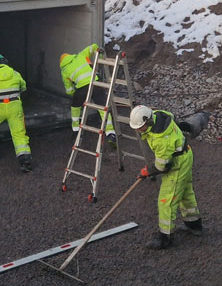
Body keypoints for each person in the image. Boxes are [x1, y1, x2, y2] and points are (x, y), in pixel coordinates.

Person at [129, 104, 201, 250]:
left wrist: (147, 171)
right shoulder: (158, 114)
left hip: (177, 163)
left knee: (166, 200)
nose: (138, 130)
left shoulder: (162, 139)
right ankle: (194, 225)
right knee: (185, 193)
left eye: (140, 127)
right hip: (185, 154)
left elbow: (162, 166)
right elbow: (173, 116)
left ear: (147, 122)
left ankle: (165, 237)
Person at [59, 43, 115, 146]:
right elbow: (93, 46)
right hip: (96, 83)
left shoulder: (64, 70)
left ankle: (76, 131)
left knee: (75, 108)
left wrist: (75, 94)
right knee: (103, 108)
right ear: (69, 56)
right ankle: (111, 133)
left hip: (82, 88)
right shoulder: (80, 55)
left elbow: (69, 90)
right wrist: (101, 55)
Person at [0, 52, 31, 173]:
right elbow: (23, 87)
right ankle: (25, 160)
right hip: (14, 106)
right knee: (19, 133)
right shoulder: (15, 73)